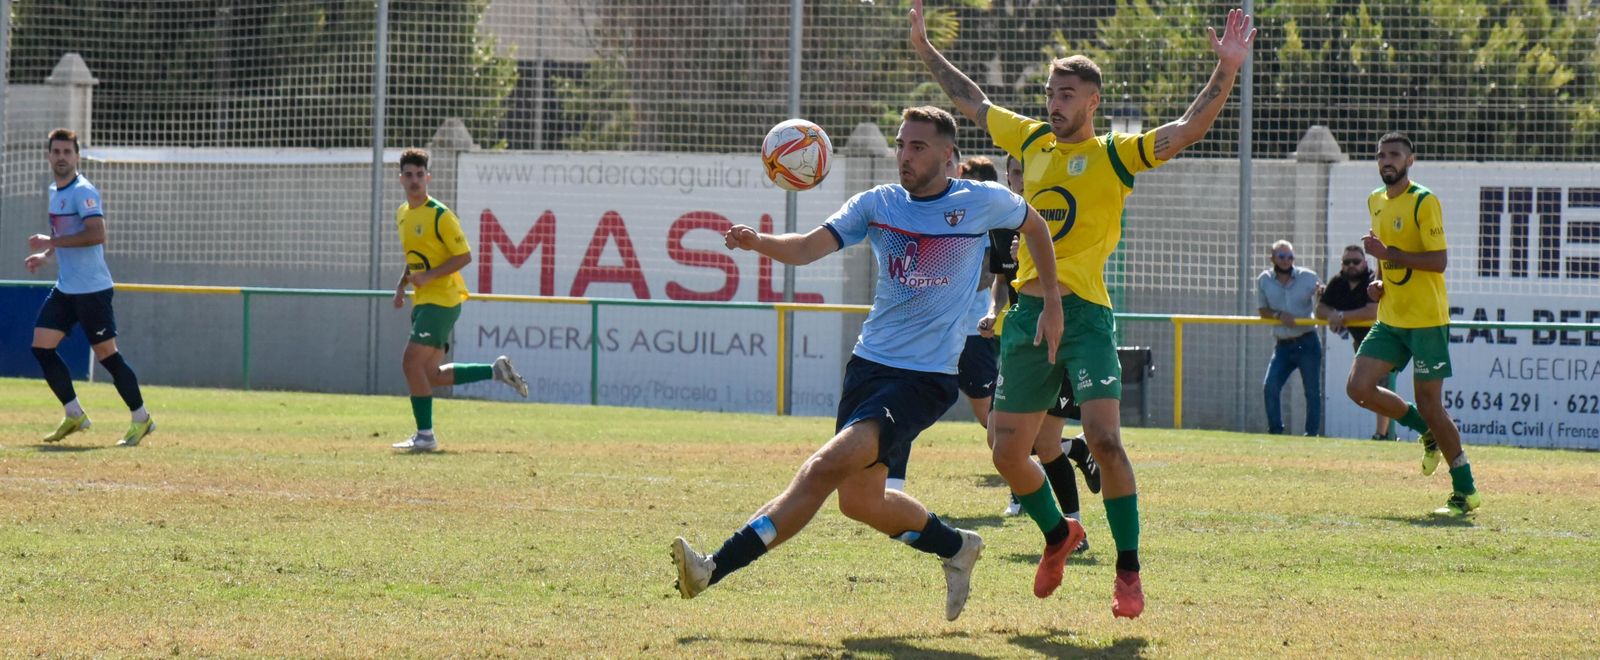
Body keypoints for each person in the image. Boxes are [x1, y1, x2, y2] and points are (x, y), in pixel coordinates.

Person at [912, 0, 1256, 618]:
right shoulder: (1031, 139)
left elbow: (1186, 129)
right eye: (1050, 92)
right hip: (1026, 317)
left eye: (1067, 94)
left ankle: (1128, 570)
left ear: (1092, 101)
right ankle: (1058, 534)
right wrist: (927, 50)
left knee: (1104, 441)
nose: (1054, 102)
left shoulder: (1115, 156)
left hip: (1086, 317)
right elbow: (970, 100)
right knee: (1006, 452)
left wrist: (1227, 69)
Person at [670, 106, 1064, 621]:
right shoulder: (877, 204)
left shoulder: (981, 201)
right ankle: (957, 548)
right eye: (901, 144)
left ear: (948, 155)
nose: (904, 155)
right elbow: (810, 246)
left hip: (925, 380)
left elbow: (1035, 226)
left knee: (821, 468)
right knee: (859, 501)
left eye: (917, 147)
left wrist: (1051, 300)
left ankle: (712, 567)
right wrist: (758, 242)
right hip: (867, 366)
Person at [1345, 132, 1480, 515]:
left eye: (1395, 155)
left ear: (1410, 160)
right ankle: (1426, 432)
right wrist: (1379, 282)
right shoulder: (1374, 200)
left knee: (1431, 404)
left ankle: (1465, 490)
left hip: (1425, 320)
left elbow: (1438, 262)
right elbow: (1384, 258)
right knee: (1358, 387)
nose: (1387, 160)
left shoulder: (1424, 200)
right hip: (1391, 317)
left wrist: (1391, 255)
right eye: (1381, 154)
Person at [984, 155, 1102, 535]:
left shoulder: (1055, 219)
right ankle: (1077, 451)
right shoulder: (1001, 225)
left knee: (1046, 444)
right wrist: (992, 311)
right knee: (998, 440)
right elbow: (1001, 280)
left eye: (1025, 172)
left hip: (1059, 339)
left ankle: (1071, 529)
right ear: (1008, 177)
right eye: (1015, 172)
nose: (1020, 179)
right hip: (1021, 343)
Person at [390, 147, 528, 452]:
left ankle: (425, 436)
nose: (414, 180)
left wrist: (428, 278)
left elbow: (464, 257)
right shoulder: (402, 214)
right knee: (430, 375)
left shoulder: (440, 215)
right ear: (400, 179)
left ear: (428, 177)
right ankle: (495, 370)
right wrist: (402, 286)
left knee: (410, 362)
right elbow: (415, 259)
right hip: (424, 301)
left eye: (419, 175)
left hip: (443, 300)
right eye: (408, 175)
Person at [23, 128, 154, 447]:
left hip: (93, 291)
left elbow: (97, 234)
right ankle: (74, 414)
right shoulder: (55, 190)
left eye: (68, 152)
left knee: (107, 355)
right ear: (49, 155)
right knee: (41, 347)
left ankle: (142, 418)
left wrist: (52, 241)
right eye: (56, 152)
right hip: (67, 289)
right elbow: (66, 233)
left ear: (77, 156)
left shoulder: (84, 191)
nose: (62, 157)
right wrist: (46, 254)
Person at [1315, 245, 1393, 440]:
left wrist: (1340, 315)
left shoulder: (1372, 280)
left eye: (1356, 261)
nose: (1351, 266)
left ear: (1365, 263)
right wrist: (1333, 315)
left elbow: (1372, 312)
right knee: (1361, 388)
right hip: (1360, 341)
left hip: (1382, 338)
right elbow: (1321, 309)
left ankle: (1382, 434)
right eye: (1347, 262)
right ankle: (1386, 431)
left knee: (1381, 384)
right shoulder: (1338, 282)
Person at [1256, 240, 1323, 436]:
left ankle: (1311, 435)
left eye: (1290, 257)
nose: (1287, 261)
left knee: (1311, 391)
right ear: (1272, 258)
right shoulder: (1264, 280)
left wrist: (1321, 294)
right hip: (1283, 346)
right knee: (1270, 386)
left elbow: (1322, 299)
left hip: (1307, 341)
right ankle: (1275, 432)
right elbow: (1262, 311)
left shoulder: (1308, 277)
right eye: (1282, 257)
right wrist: (1278, 315)